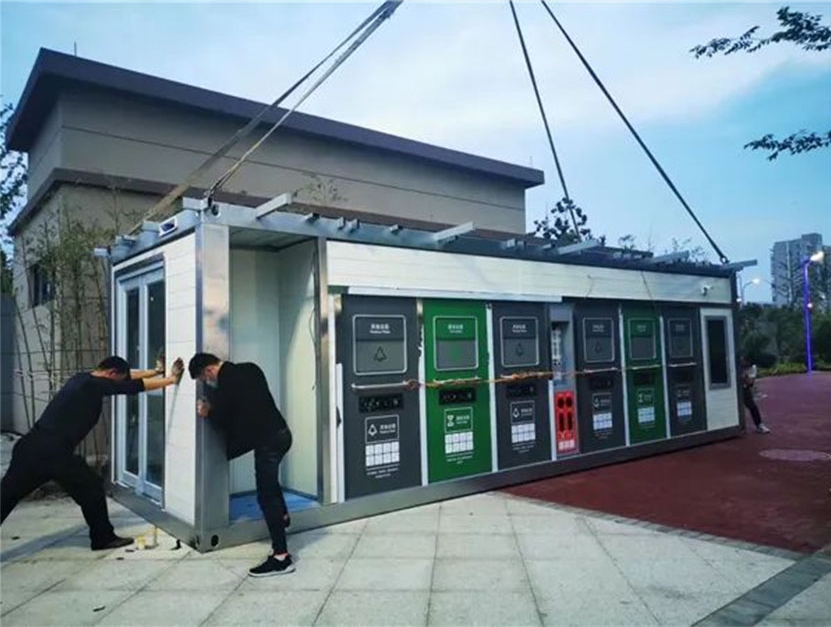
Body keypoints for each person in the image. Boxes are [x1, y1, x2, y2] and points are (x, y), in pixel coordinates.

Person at [1, 356, 184, 549]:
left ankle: (103, 537)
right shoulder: (93, 385)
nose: (121, 382)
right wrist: (171, 380)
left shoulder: (83, 378)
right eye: (119, 378)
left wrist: (155, 372)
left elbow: (128, 378)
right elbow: (132, 386)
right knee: (92, 489)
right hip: (52, 453)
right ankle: (103, 538)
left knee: (7, 495)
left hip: (31, 447)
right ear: (111, 373)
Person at [188, 353, 294, 577]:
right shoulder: (251, 367)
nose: (207, 382)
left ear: (208, 371)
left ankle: (281, 557)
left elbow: (224, 421)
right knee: (270, 483)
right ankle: (283, 517)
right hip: (282, 434)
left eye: (204, 379)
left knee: (266, 497)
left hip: (267, 442)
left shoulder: (225, 386)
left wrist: (207, 412)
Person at [741, 357, 770, 434]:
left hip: (744, 387)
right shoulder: (736, 363)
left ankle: (759, 425)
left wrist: (744, 377)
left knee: (752, 405)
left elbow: (750, 383)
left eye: (748, 364)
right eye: (744, 361)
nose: (746, 365)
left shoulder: (752, 367)